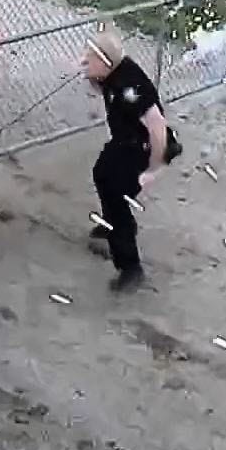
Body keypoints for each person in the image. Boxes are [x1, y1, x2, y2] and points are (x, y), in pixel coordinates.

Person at [81, 30, 171, 292]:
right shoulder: (111, 74)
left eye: (90, 58)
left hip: (141, 148)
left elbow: (157, 127)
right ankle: (113, 223)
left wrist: (155, 167)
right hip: (123, 141)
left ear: (105, 61)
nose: (84, 61)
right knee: (102, 173)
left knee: (116, 196)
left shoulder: (130, 87)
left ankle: (130, 267)